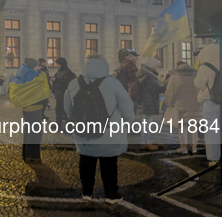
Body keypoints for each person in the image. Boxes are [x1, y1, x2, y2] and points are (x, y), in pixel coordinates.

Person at [64, 55, 135, 203]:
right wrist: (127, 124)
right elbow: (127, 107)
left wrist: (75, 121)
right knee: (109, 163)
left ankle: (86, 193)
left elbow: (68, 108)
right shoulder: (113, 83)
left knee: (86, 161)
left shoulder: (74, 83)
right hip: (109, 131)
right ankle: (111, 195)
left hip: (84, 131)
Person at [194, 43, 222, 167]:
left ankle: (214, 159)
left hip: (211, 102)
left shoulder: (205, 67)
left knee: (212, 131)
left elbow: (199, 84)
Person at [9, 58, 49, 162]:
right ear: (32, 67)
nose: (39, 68)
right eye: (37, 66)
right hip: (34, 107)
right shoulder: (32, 76)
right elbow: (38, 87)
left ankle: (26, 154)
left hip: (27, 108)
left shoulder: (23, 75)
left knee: (29, 131)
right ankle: (33, 156)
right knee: (35, 133)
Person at [164, 61, 201, 154]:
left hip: (180, 105)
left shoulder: (174, 77)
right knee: (193, 127)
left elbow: (169, 93)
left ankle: (183, 147)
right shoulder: (196, 76)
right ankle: (194, 147)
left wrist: (168, 103)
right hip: (195, 105)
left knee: (182, 127)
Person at [135, 58, 166, 151]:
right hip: (149, 101)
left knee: (149, 122)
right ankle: (145, 142)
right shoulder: (150, 76)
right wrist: (166, 86)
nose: (157, 68)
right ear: (152, 66)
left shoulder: (146, 75)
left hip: (147, 101)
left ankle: (150, 140)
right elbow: (155, 90)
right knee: (147, 122)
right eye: (156, 66)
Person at [51, 57, 76, 127]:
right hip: (59, 94)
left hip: (64, 94)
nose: (57, 65)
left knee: (66, 110)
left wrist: (56, 80)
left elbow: (66, 83)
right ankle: (58, 123)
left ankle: (69, 125)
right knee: (58, 110)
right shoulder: (59, 71)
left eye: (58, 64)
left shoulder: (67, 72)